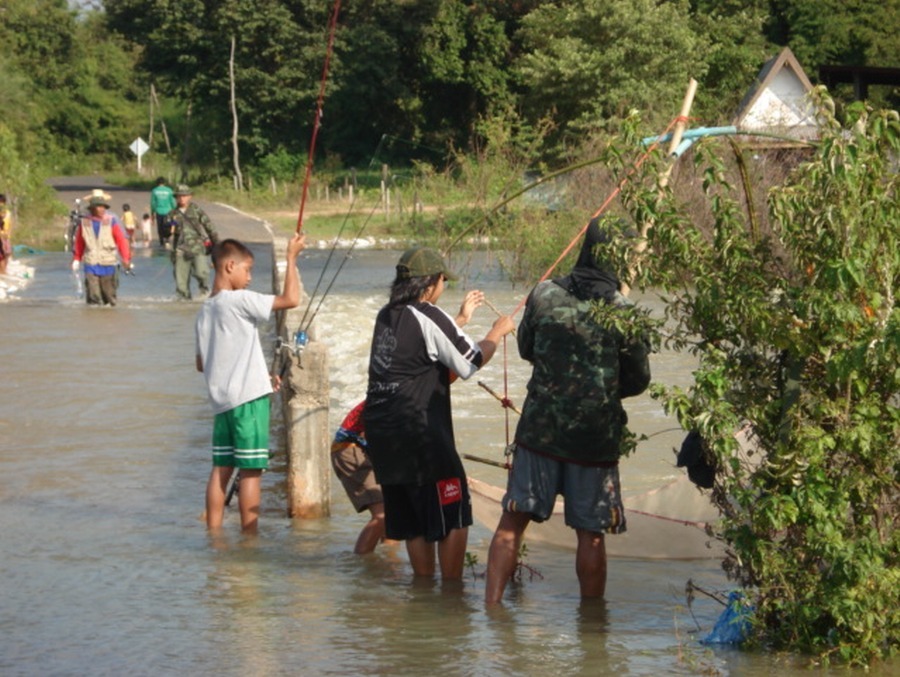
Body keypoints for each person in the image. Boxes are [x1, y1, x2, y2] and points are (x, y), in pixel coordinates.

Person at [484, 217, 651, 604]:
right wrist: (600, 390)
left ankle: (492, 611)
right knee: (590, 533)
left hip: (539, 432)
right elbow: (638, 380)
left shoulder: (543, 294)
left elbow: (527, 349)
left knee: (513, 520)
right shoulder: (624, 311)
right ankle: (592, 629)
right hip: (593, 440)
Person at [364, 247, 515, 581]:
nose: (444, 286)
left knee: (414, 521)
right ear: (430, 283)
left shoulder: (386, 315)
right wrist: (496, 332)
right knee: (454, 511)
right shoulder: (429, 314)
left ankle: (423, 590)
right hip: (418, 431)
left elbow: (421, 354)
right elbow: (471, 361)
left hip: (382, 433)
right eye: (443, 279)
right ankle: (451, 596)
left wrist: (459, 320)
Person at [334, 294, 484, 555]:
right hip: (351, 446)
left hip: (371, 444)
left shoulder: (411, 371)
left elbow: (434, 342)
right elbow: (459, 361)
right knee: (383, 517)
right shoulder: (422, 381)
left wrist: (461, 319)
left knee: (398, 515)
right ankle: (360, 565)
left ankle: (390, 568)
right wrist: (494, 334)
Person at [196, 234, 306, 534]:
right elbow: (291, 300)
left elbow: (201, 363)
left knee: (222, 469)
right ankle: (249, 538)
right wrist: (292, 256)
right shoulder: (240, 300)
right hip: (248, 402)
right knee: (251, 472)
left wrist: (260, 376)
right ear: (230, 266)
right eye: (247, 270)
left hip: (222, 404)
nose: (249, 277)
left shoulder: (205, 309)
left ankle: (215, 535)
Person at [71, 192, 133, 306]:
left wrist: (126, 258)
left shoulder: (111, 220)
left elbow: (121, 240)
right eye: (99, 206)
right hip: (91, 263)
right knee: (93, 297)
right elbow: (79, 243)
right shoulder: (84, 222)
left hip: (108, 263)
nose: (102, 209)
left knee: (109, 296)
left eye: (103, 206)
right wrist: (76, 259)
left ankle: (109, 320)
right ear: (93, 208)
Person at [169, 184, 218, 300]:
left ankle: (204, 293)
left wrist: (216, 244)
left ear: (190, 196)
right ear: (176, 197)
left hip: (197, 248)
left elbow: (209, 226)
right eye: (179, 196)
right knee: (181, 281)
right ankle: (184, 304)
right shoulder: (172, 214)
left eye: (185, 196)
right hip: (180, 249)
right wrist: (168, 227)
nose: (182, 198)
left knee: (202, 273)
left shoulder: (196, 210)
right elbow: (167, 232)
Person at [149, 177, 176, 247]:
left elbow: (153, 203)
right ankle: (167, 239)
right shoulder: (169, 190)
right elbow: (172, 201)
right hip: (168, 211)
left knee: (160, 226)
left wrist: (152, 213)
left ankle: (161, 240)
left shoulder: (154, 191)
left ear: (157, 183)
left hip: (159, 211)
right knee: (169, 225)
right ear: (164, 183)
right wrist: (175, 209)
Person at [0, 194, 11, 276]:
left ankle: (4, 270)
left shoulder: (7, 213)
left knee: (7, 253)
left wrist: (9, 233)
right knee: (2, 253)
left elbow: (10, 224)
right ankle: (2, 271)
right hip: (1, 235)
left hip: (6, 235)